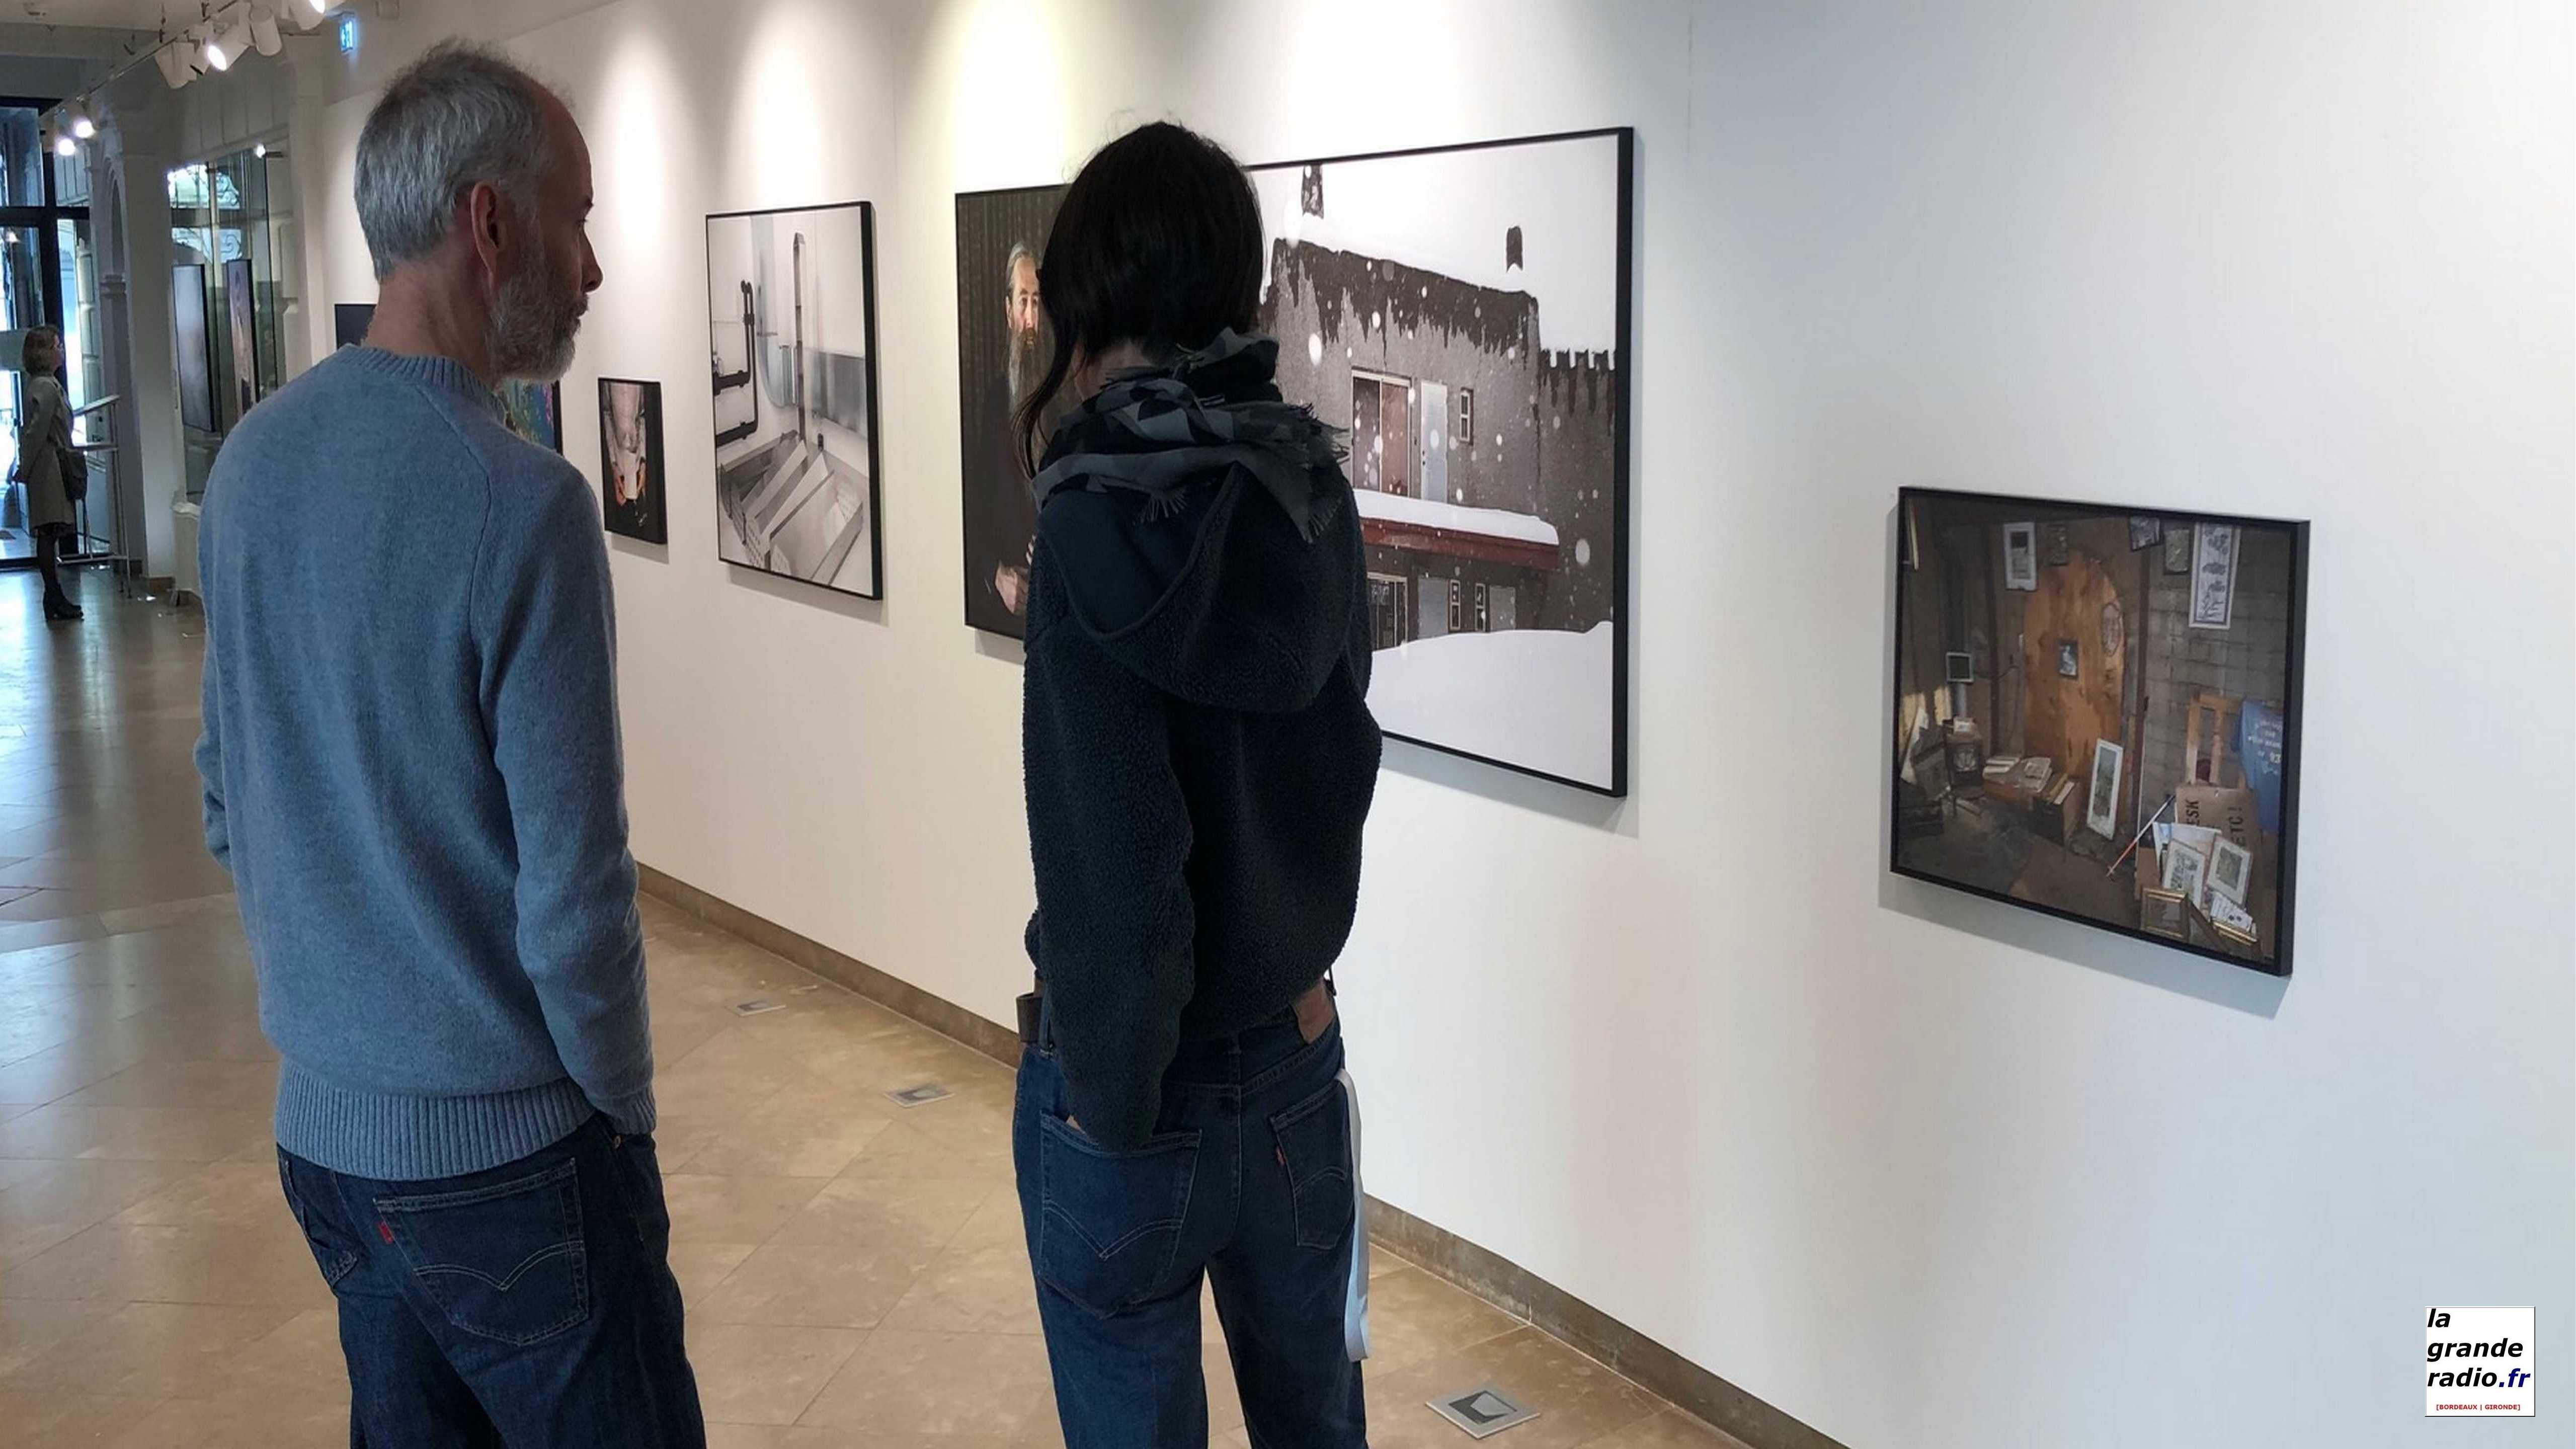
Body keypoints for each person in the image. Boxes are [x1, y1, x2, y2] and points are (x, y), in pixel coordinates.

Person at [192, 42, 704, 1445]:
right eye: (577, 220)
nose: (591, 269)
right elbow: (575, 902)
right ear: (490, 224)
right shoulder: (519, 504)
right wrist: (622, 1120)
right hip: (511, 1164)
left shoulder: (248, 468)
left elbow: (228, 805)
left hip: (326, 1149)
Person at [1013, 121, 1383, 1449]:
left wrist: (1113, 1114)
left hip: (1135, 1095)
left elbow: (1116, 865)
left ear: (1089, 291)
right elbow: (1341, 769)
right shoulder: (1315, 496)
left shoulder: (1084, 525)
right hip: (1292, 1067)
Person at [18, 328, 81, 622]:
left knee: (51, 531)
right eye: (58, 346)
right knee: (48, 530)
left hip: (49, 463)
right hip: (48, 467)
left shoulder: (45, 384)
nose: (62, 350)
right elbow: (36, 432)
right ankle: (53, 595)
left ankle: (54, 595)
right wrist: (25, 467)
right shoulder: (45, 387)